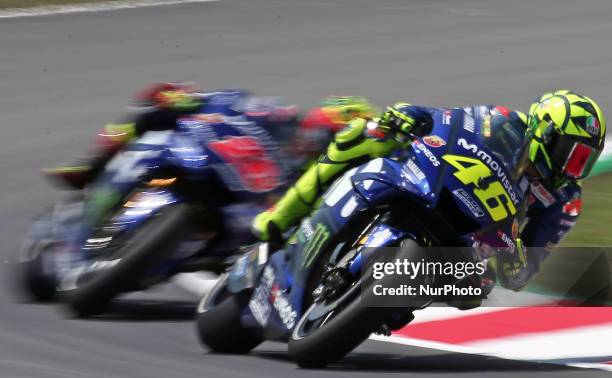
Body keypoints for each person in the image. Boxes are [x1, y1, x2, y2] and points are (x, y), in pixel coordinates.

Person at [252, 90, 606, 293]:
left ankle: (385, 307)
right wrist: (410, 115)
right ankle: (281, 216)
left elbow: (523, 272)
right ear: (545, 134)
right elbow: (447, 120)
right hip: (441, 186)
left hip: (474, 245)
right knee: (363, 134)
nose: (572, 168)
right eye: (569, 153)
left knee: (474, 289)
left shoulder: (564, 201)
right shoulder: (503, 121)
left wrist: (516, 260)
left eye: (583, 161)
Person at [46, 82, 377, 190]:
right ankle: (91, 166)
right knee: (156, 114)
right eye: (330, 135)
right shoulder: (282, 117)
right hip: (212, 161)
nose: (328, 145)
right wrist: (186, 99)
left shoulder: (324, 181)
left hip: (239, 216)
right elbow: (231, 100)